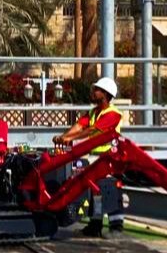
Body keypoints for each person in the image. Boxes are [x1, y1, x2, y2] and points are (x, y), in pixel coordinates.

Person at [53, 77, 125, 237]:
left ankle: (116, 227)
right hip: (94, 159)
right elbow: (79, 126)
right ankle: (95, 225)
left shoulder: (113, 114)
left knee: (111, 191)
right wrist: (63, 136)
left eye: (97, 90)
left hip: (110, 160)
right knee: (94, 192)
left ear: (106, 94)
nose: (93, 92)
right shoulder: (93, 112)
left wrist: (70, 138)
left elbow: (93, 130)